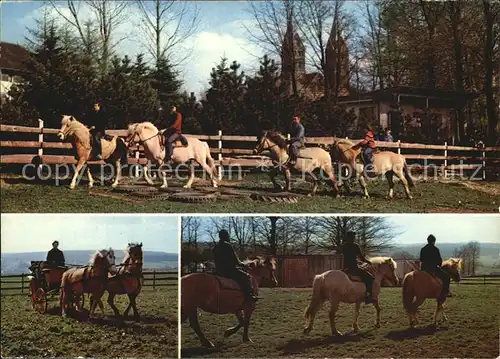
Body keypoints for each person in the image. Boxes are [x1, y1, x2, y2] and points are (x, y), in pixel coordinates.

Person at [212, 229, 259, 302]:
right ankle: (248, 296)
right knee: (246, 277)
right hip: (229, 271)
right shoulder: (228, 246)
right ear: (225, 236)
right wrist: (245, 266)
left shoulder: (215, 247)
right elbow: (237, 262)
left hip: (218, 271)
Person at [340, 231, 375, 304]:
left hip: (345, 268)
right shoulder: (355, 246)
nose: (354, 238)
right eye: (354, 237)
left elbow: (347, 257)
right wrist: (367, 262)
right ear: (352, 237)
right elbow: (361, 258)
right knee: (370, 278)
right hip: (354, 268)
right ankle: (368, 297)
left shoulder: (343, 246)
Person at [419, 234, 451, 299]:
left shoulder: (423, 249)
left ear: (428, 241)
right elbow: (439, 261)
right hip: (433, 269)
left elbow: (421, 259)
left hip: (423, 269)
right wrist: (438, 264)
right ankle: (445, 292)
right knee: (447, 277)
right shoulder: (435, 249)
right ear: (434, 241)